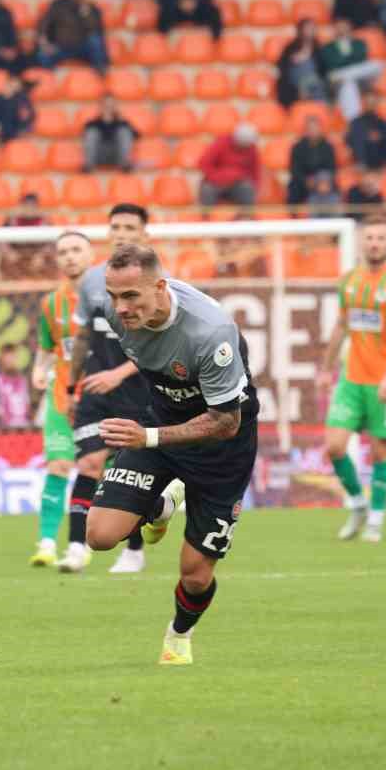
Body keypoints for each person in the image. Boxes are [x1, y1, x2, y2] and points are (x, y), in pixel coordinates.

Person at [82, 243, 259, 666]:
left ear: (160, 287)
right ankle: (161, 505)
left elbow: (225, 422)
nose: (119, 308)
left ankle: (179, 634)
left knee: (195, 575)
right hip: (159, 428)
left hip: (222, 448)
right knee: (100, 535)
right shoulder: (115, 315)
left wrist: (150, 438)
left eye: (130, 296)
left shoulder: (210, 333)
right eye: (113, 295)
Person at [62, 204, 167, 574]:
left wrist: (119, 374)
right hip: (95, 385)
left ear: (145, 234)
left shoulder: (159, 282)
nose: (121, 233)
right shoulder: (93, 280)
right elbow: (83, 335)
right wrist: (72, 385)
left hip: (138, 391)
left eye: (129, 227)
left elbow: (161, 345)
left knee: (130, 470)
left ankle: (134, 549)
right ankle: (76, 546)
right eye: (115, 227)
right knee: (89, 462)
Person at [319, 215, 386, 542]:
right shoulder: (349, 281)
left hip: (383, 381)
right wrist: (325, 367)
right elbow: (341, 326)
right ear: (362, 242)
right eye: (370, 238)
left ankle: (376, 520)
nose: (374, 243)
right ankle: (359, 504)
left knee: (380, 451)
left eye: (381, 238)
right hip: (351, 380)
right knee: (334, 447)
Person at [28, 231, 96, 565]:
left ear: (90, 254)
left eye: (76, 250)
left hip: (101, 400)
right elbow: (47, 346)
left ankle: (95, 544)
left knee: (97, 472)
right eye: (63, 251)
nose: (69, 256)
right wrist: (38, 370)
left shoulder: (108, 299)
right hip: (61, 399)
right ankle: (45, 544)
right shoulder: (51, 303)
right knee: (58, 466)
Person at [319, 17, 382, 119]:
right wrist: (351, 59)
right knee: (348, 84)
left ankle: (346, 75)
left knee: (377, 64)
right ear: (335, 28)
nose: (342, 28)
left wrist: (344, 61)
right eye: (339, 26)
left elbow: (362, 59)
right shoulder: (328, 47)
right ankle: (354, 122)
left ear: (349, 27)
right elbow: (331, 63)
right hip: (338, 82)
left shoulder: (359, 43)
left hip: (356, 78)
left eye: (344, 25)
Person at [40, 0, 109, 70]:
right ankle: (48, 80)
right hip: (60, 46)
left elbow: (96, 31)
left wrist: (85, 11)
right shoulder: (59, 5)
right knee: (43, 55)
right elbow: (45, 24)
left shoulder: (92, 9)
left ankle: (102, 77)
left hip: (82, 48)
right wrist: (45, 42)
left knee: (95, 41)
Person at [198, 123, 261, 207]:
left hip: (238, 183)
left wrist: (255, 186)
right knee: (207, 190)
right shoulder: (220, 143)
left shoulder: (252, 149)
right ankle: (205, 218)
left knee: (248, 189)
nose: (244, 148)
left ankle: (246, 218)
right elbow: (204, 164)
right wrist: (216, 177)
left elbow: (255, 170)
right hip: (215, 182)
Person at [287, 116, 340, 207]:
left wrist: (322, 181)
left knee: (331, 188)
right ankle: (293, 217)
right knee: (293, 190)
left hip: (323, 179)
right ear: (306, 130)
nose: (313, 131)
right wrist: (305, 180)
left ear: (320, 129)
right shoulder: (297, 147)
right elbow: (294, 169)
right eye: (310, 128)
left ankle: (332, 216)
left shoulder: (328, 147)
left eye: (315, 128)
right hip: (302, 181)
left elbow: (332, 168)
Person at [276, 18, 328, 106]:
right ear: (301, 30)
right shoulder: (291, 47)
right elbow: (282, 66)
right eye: (307, 28)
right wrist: (295, 59)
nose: (310, 31)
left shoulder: (318, 48)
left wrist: (308, 57)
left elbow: (323, 68)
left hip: (315, 80)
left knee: (316, 85)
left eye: (312, 28)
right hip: (295, 80)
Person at [82, 95, 138, 171]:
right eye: (105, 105)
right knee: (92, 132)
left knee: (124, 131)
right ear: (101, 107)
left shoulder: (122, 123)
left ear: (114, 107)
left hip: (117, 155)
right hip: (98, 156)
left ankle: (125, 164)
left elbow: (136, 135)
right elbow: (86, 136)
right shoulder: (92, 123)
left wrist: (121, 121)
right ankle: (88, 166)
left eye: (111, 105)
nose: (108, 108)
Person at [346, 91, 386, 169]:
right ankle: (361, 163)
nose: (370, 105)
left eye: (372, 103)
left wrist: (379, 137)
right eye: (368, 102)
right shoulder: (356, 122)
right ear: (363, 103)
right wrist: (366, 137)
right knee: (358, 134)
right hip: (363, 154)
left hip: (380, 153)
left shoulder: (383, 122)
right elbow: (349, 139)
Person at [0, 74, 34, 140]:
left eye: (17, 83)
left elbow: (27, 118)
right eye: (11, 83)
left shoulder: (23, 100)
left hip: (16, 134)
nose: (14, 85)